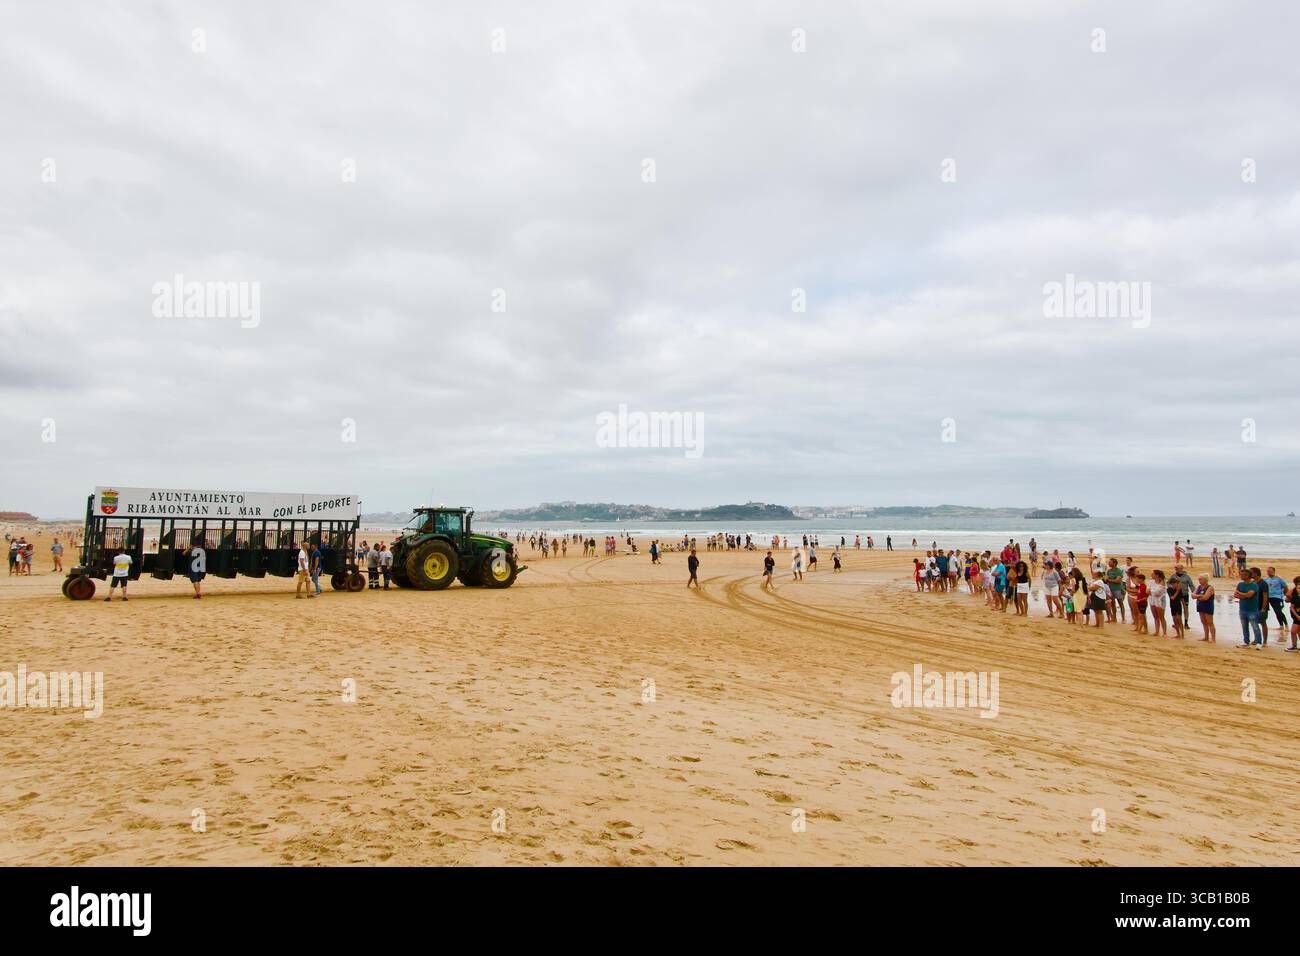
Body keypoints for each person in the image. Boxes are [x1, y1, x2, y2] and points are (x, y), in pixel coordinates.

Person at [1233, 568, 1262, 647]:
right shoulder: (1240, 584)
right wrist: (1244, 595)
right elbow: (1235, 595)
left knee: (1255, 626)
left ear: (1247, 575)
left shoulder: (1254, 585)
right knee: (1244, 626)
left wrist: (1241, 594)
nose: (1240, 576)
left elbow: (1249, 595)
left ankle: (1258, 642)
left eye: (1242, 575)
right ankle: (1246, 642)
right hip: (1242, 609)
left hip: (1252, 610)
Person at [1194, 575, 1216, 643]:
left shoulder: (1210, 588)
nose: (1199, 580)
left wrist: (1197, 596)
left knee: (1210, 622)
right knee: (1203, 622)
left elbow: (1205, 598)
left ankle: (1213, 639)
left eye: (1200, 579)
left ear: (1206, 580)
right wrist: (1199, 596)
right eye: (1199, 579)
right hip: (1200, 605)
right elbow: (1192, 595)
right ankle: (1206, 637)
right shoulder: (1199, 587)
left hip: (1208, 606)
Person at [1287, 576, 1300, 652]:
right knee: (1297, 631)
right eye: (1297, 587)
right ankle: (1294, 646)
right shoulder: (1294, 595)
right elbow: (1291, 607)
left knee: (1293, 631)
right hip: (1296, 616)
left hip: (1297, 617)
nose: (1297, 589)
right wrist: (1297, 616)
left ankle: (1294, 646)